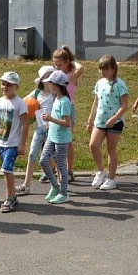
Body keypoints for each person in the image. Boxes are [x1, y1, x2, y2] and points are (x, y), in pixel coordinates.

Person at [88, 55, 129, 191]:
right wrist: (90, 120)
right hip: (100, 120)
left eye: (105, 69)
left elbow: (124, 105)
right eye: (101, 69)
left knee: (111, 149)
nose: (102, 72)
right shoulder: (100, 83)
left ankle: (111, 179)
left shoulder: (119, 84)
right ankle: (101, 171)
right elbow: (96, 102)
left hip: (115, 122)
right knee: (93, 145)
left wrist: (114, 118)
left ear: (112, 69)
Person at [0, 71, 29, 213]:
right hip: (1, 142)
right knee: (6, 171)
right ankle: (12, 195)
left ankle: (10, 198)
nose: (5, 87)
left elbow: (25, 124)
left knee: (6, 170)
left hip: (13, 143)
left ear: (16, 86)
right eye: (3, 84)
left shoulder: (20, 103)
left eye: (9, 85)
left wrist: (22, 143)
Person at [16, 66, 55, 195]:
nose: (50, 79)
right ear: (42, 80)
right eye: (47, 77)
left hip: (52, 129)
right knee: (32, 154)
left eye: (52, 76)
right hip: (40, 128)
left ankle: (59, 183)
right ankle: (26, 185)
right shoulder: (37, 93)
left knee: (52, 156)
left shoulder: (55, 93)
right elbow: (23, 102)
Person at [39, 70, 74, 204]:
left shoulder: (64, 101)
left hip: (61, 139)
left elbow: (67, 123)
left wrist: (51, 119)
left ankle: (64, 193)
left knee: (61, 167)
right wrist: (50, 124)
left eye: (51, 84)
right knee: (43, 160)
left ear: (57, 85)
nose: (49, 86)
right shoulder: (57, 99)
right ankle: (55, 186)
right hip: (52, 136)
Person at [52, 45, 85, 181]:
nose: (57, 67)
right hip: (56, 108)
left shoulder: (71, 75)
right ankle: (57, 169)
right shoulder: (56, 74)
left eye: (59, 64)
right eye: (55, 64)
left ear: (67, 63)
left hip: (67, 110)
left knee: (67, 142)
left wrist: (71, 59)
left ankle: (69, 170)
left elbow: (81, 67)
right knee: (54, 141)